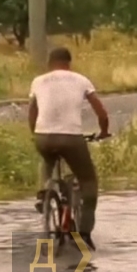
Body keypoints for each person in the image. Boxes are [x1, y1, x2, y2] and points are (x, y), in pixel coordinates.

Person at [28, 47, 110, 250]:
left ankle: (43, 192)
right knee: (89, 182)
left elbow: (32, 112)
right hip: (71, 139)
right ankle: (83, 233)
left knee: (47, 158)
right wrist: (104, 131)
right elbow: (101, 112)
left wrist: (36, 133)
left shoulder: (38, 81)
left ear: (50, 62)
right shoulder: (81, 80)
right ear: (69, 63)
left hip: (43, 136)